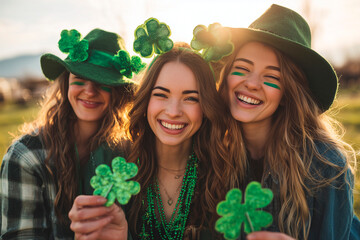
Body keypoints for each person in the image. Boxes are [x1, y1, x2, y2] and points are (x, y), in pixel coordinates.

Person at [216, 4, 359, 240]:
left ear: (287, 94)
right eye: (242, 68)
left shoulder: (327, 168)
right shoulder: (211, 151)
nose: (252, 84)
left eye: (272, 77)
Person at [68, 44, 232, 239]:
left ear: (206, 106)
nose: (173, 111)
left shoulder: (225, 172)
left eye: (190, 98)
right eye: (161, 95)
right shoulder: (108, 162)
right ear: (145, 100)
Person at [0, 28, 142, 239]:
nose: (89, 91)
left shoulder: (130, 154)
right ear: (66, 82)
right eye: (80, 79)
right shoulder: (26, 157)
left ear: (119, 92)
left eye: (102, 82)